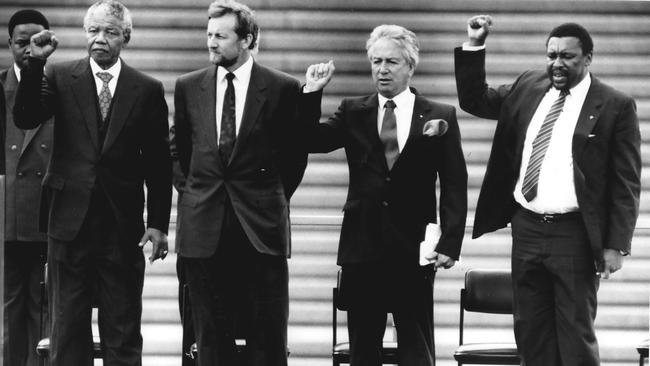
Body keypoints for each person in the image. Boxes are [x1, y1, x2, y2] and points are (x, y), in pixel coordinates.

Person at [455, 16, 641, 366]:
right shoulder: (528, 85)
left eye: (568, 56)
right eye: (552, 54)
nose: (557, 63)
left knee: (574, 333)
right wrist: (475, 44)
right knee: (531, 331)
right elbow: (475, 101)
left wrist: (616, 245)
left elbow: (626, 182)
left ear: (588, 58)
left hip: (574, 234)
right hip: (527, 228)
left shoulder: (615, 105)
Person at [12, 0, 172, 364]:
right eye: (93, 31)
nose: (100, 39)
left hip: (122, 227)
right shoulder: (59, 76)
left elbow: (160, 164)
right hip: (68, 225)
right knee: (66, 332)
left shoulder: (146, 89)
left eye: (110, 32)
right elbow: (25, 116)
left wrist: (158, 224)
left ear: (125, 38)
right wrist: (35, 62)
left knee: (123, 330)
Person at [300, 25, 467, 366]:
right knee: (363, 349)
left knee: (416, 346)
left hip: (412, 248)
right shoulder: (354, 110)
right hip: (362, 247)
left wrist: (450, 241)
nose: (382, 69)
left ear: (410, 66)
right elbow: (310, 141)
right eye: (376, 61)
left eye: (391, 61)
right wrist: (312, 92)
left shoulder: (439, 115)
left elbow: (454, 182)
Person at [169, 0, 308, 365]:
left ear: (247, 39)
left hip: (260, 230)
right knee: (210, 340)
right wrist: (193, 193)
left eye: (221, 36)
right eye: (209, 35)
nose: (212, 43)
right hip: (203, 231)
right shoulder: (189, 86)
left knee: (268, 338)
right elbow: (178, 149)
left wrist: (267, 196)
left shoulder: (281, 88)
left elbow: (294, 158)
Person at [2, 9, 52, 366]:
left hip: (46, 214)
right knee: (8, 309)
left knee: (44, 307)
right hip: (5, 215)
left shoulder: (60, 86)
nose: (29, 51)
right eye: (22, 43)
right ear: (9, 45)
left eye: (37, 43)